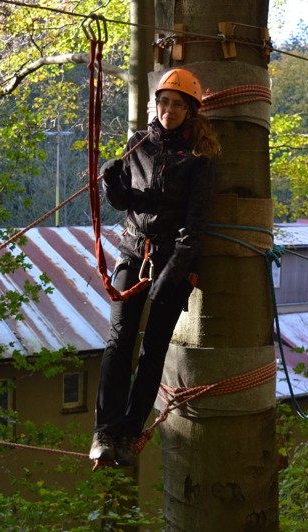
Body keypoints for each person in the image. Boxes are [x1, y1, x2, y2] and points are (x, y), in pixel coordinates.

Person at [89, 68, 221, 466]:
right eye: (164, 102)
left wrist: (172, 274)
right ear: (156, 105)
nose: (169, 110)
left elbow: (195, 226)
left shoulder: (200, 158)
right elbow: (128, 201)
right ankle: (104, 430)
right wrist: (111, 184)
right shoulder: (139, 144)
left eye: (177, 104)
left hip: (173, 259)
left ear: (191, 110)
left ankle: (129, 432)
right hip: (134, 252)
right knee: (119, 340)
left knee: (153, 350)